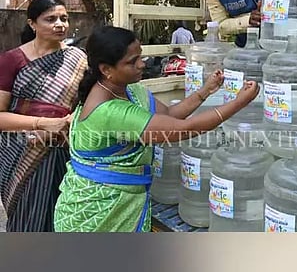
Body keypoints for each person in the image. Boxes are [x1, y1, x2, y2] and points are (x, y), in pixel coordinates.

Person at [53, 26, 259, 232]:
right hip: (97, 214)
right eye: (131, 62)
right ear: (106, 69)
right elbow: (185, 129)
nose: (142, 65)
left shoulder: (129, 91)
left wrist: (206, 90)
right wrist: (239, 102)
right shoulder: (109, 113)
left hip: (117, 204)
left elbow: (169, 115)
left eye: (140, 57)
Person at [0, 0, 87, 231]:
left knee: (62, 212)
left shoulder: (78, 59)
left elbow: (87, 102)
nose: (60, 24)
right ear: (32, 23)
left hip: (63, 146)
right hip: (21, 150)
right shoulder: (12, 60)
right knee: (27, 217)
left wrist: (70, 121)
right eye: (50, 19)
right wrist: (43, 124)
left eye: (64, 18)